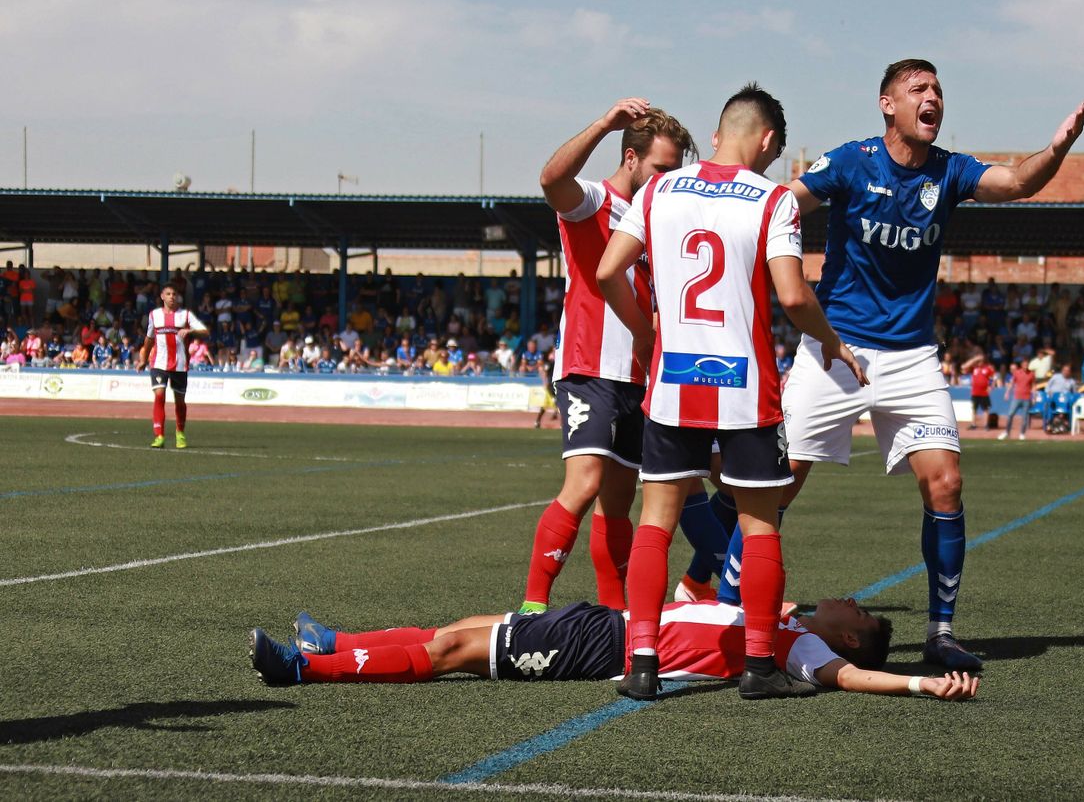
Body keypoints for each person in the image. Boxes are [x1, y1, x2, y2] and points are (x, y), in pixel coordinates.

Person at [774, 58, 1084, 670]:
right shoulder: (849, 161)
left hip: (913, 357)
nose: (933, 98)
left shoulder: (950, 172)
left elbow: (1018, 183)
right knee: (779, 480)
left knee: (945, 483)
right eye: (918, 89)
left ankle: (940, 632)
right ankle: (733, 608)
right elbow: (785, 206)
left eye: (938, 91)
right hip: (835, 350)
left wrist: (1056, 148)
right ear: (886, 103)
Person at [596, 83, 866, 700]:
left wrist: (646, 337)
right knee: (761, 525)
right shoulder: (774, 201)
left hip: (674, 380)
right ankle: (760, 668)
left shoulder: (660, 188)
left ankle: (642, 664)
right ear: (769, 141)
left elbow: (609, 270)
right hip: (744, 385)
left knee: (656, 524)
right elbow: (794, 295)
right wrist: (831, 342)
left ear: (717, 134)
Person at [520, 99, 695, 615]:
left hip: (638, 377)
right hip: (588, 366)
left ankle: (614, 615)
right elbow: (551, 179)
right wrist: (601, 124)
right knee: (586, 482)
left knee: (618, 506)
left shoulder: (655, 220)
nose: (666, 180)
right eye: (660, 168)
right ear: (631, 157)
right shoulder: (593, 201)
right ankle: (532, 607)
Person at [248, 598, 976, 702]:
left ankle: (304, 668)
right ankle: (339, 642)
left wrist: (920, 684)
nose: (846, 598)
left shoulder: (809, 644)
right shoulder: (781, 613)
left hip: (604, 647)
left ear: (848, 631)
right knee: (461, 625)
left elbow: (847, 676)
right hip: (612, 618)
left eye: (858, 609)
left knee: (450, 651)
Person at [135, 283, 209, 449]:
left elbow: (205, 331)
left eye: (174, 294)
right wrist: (143, 359)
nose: (171, 297)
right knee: (159, 395)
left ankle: (180, 433)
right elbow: (149, 339)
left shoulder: (185, 315)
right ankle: (159, 435)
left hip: (179, 364)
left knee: (179, 401)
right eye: (168, 294)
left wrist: (190, 331)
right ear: (162, 296)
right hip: (159, 362)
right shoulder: (154, 315)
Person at [998, 361, 1035, 440]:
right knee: (1010, 414)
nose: (1026, 366)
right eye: (1024, 365)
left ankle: (1022, 433)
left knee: (1024, 417)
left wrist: (1034, 396)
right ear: (1021, 365)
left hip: (1027, 398)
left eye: (1027, 365)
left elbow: (1033, 386)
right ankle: (1007, 432)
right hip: (1017, 397)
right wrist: (1007, 392)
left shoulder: (1031, 374)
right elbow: (1012, 383)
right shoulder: (1017, 373)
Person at [963, 352, 996, 430]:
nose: (979, 362)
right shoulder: (974, 368)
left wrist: (991, 387)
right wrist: (975, 359)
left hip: (984, 393)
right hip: (975, 392)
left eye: (980, 360)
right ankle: (973, 425)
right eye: (978, 361)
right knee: (974, 409)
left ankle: (986, 425)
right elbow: (964, 367)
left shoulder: (988, 368)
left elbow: (992, 378)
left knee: (986, 409)